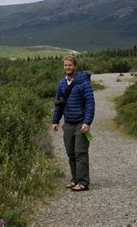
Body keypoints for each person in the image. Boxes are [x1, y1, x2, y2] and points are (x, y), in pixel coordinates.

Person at [52, 55, 95, 191]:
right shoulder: (61, 84)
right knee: (70, 152)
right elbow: (59, 104)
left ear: (74, 66)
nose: (67, 67)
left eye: (70, 65)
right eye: (65, 65)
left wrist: (87, 122)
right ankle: (75, 179)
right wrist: (55, 121)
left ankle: (83, 182)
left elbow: (90, 104)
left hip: (81, 123)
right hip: (68, 123)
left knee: (80, 153)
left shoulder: (83, 83)